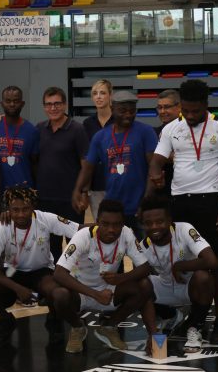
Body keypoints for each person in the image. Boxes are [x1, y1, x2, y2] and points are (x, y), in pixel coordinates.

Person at [148, 79, 218, 345]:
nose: (189, 116)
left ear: (206, 105)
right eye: (184, 111)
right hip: (179, 204)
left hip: (211, 202)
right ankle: (189, 316)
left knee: (216, 262)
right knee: (182, 261)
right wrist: (155, 175)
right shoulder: (171, 129)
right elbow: (157, 160)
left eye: (194, 111)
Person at [0, 186, 80, 346]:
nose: (20, 214)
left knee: (61, 294)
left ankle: (54, 319)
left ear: (33, 207)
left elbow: (78, 229)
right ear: (8, 209)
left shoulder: (45, 219)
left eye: (25, 209)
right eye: (15, 210)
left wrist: (103, 226)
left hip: (41, 271)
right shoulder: (3, 228)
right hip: (12, 271)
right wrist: (18, 289)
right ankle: (5, 319)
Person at [52, 199, 155, 353]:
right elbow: (59, 273)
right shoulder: (83, 236)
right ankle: (78, 327)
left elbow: (146, 267)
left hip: (109, 290)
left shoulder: (126, 233)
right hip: (81, 292)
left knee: (145, 285)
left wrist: (121, 278)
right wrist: (95, 294)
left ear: (123, 223)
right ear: (97, 222)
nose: (111, 230)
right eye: (105, 224)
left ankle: (109, 326)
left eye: (116, 225)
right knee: (59, 295)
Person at [73, 90, 158, 239]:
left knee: (145, 255)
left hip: (140, 206)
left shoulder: (146, 132)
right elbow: (88, 167)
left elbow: (154, 168)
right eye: (123, 110)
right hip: (113, 208)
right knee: (112, 256)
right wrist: (78, 190)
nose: (128, 115)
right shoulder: (101, 137)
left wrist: (146, 201)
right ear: (112, 110)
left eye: (132, 111)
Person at [138, 195, 218, 353]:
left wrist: (179, 265)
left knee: (204, 277)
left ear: (169, 220)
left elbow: (212, 261)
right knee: (138, 285)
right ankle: (164, 322)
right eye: (148, 223)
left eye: (160, 222)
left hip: (189, 286)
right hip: (166, 287)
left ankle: (195, 328)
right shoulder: (142, 247)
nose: (154, 227)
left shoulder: (184, 229)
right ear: (142, 224)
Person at [36, 87, 89, 262]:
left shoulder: (77, 129)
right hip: (45, 200)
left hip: (70, 200)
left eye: (57, 103)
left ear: (65, 105)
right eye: (49, 104)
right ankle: (55, 281)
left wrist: (83, 193)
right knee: (51, 246)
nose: (53, 108)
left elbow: (86, 165)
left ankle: (77, 281)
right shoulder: (39, 129)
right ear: (44, 107)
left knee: (76, 245)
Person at [0, 86, 39, 194]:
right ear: (2, 103)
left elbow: (35, 164)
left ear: (22, 103)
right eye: (8, 101)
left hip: (25, 192)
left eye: (16, 101)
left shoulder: (32, 131)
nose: (12, 104)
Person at [82, 79, 113, 220]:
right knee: (101, 224)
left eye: (102, 93)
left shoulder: (119, 120)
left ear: (110, 95)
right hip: (96, 183)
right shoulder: (87, 123)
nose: (98, 97)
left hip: (117, 180)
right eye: (95, 93)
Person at [154, 89, 181, 197]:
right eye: (159, 107)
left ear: (179, 107)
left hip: (186, 190)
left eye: (167, 107)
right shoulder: (154, 132)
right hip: (161, 192)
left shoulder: (191, 131)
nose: (162, 111)